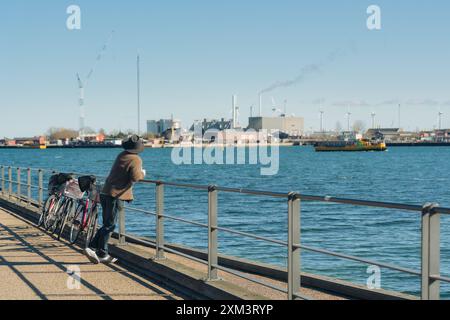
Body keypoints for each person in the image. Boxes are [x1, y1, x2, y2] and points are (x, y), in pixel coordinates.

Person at [85, 135, 146, 264]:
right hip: (116, 194)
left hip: (106, 192)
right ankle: (98, 251)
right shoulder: (136, 159)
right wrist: (142, 173)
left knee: (107, 223)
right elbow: (135, 178)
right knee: (110, 225)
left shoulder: (121, 155)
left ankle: (96, 249)